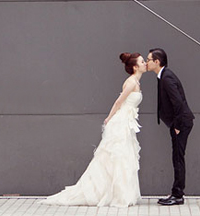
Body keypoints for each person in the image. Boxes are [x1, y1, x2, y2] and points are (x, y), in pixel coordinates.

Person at [40, 53, 146, 207]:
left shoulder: (136, 81)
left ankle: (122, 193)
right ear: (135, 67)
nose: (145, 64)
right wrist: (109, 118)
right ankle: (117, 194)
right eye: (142, 62)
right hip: (121, 122)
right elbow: (118, 102)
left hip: (127, 122)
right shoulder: (131, 82)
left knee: (124, 157)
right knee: (118, 157)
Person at [146, 48, 194, 206]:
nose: (147, 63)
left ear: (157, 62)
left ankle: (178, 195)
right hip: (179, 122)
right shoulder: (164, 76)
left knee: (178, 158)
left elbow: (178, 103)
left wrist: (178, 126)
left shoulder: (166, 78)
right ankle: (176, 192)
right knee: (177, 157)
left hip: (181, 123)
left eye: (149, 60)